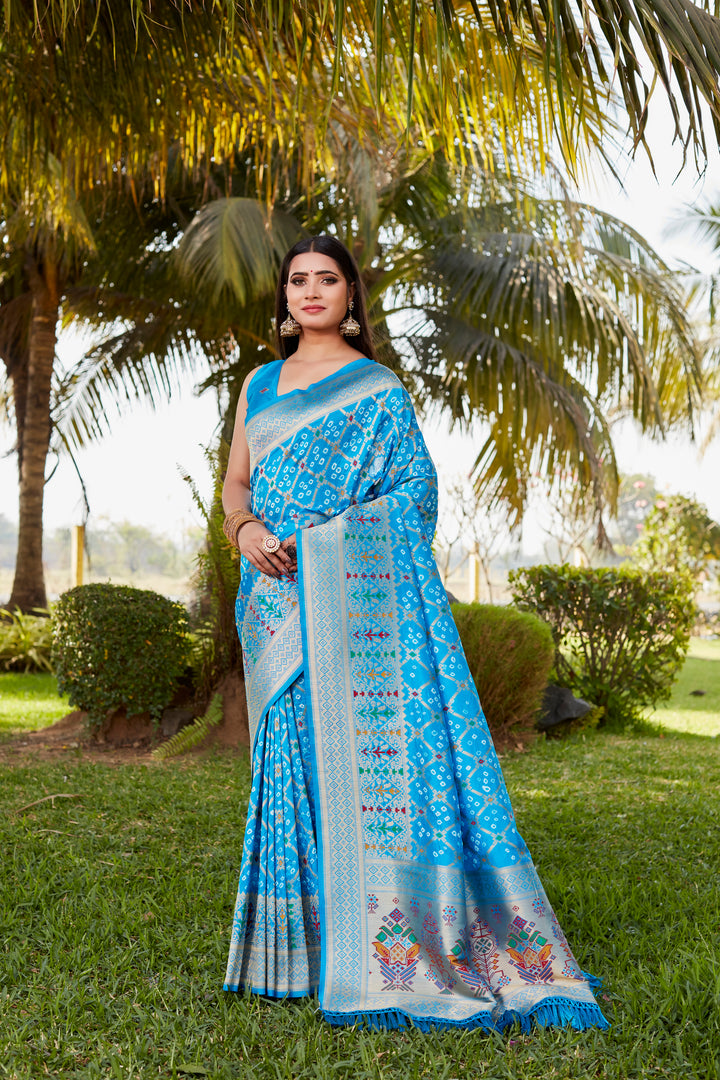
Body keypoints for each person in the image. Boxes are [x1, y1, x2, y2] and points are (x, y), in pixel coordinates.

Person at [221, 234, 608, 1033]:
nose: (311, 292)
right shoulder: (258, 385)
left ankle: (388, 950)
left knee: (360, 767)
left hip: (355, 606)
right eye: (298, 281)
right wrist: (245, 529)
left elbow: (414, 491)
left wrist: (328, 541)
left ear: (352, 296)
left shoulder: (378, 388)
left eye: (327, 279)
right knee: (292, 758)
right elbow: (235, 483)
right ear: (284, 298)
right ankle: (298, 955)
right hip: (274, 600)